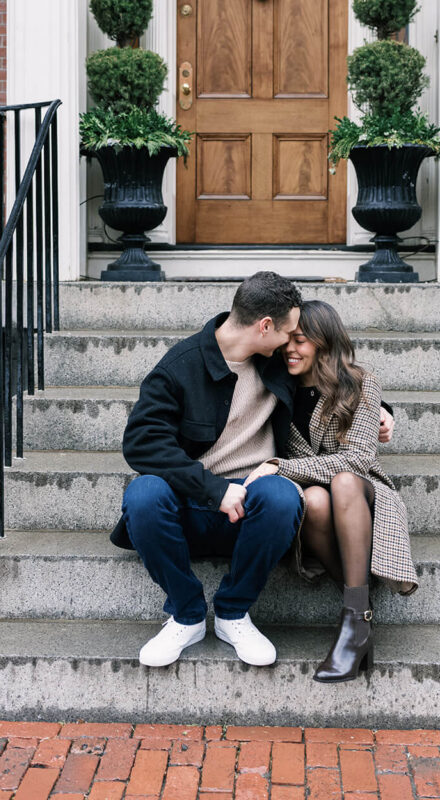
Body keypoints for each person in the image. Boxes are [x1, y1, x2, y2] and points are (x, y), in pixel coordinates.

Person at [110, 271, 304, 669]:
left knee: (284, 495)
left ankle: (233, 613)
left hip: (254, 513)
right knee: (143, 494)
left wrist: (381, 413)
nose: (292, 341)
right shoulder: (180, 366)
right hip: (189, 509)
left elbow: (337, 378)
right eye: (288, 332)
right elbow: (141, 443)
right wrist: (213, 489)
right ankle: (187, 614)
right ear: (265, 327)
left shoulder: (279, 363)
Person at [244, 299, 418, 683]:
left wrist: (281, 466)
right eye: (288, 339)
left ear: (325, 343)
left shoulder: (360, 383)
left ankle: (354, 621)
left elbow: (355, 461)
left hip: (360, 489)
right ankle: (360, 615)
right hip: (311, 496)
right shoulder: (276, 387)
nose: (290, 348)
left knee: (339, 481)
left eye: (301, 340)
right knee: (316, 499)